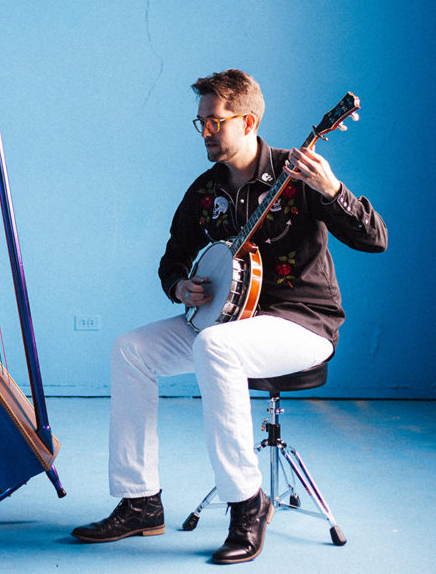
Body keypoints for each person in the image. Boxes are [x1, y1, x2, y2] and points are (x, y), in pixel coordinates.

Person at [71, 69, 387, 564]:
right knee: (131, 350)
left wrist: (332, 188)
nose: (205, 131)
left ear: (248, 122)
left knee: (215, 346)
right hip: (228, 321)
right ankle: (140, 502)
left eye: (214, 121)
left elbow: (375, 239)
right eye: (200, 122)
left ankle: (247, 504)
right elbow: (172, 260)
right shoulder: (204, 192)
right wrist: (181, 286)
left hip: (303, 321)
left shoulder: (297, 175)